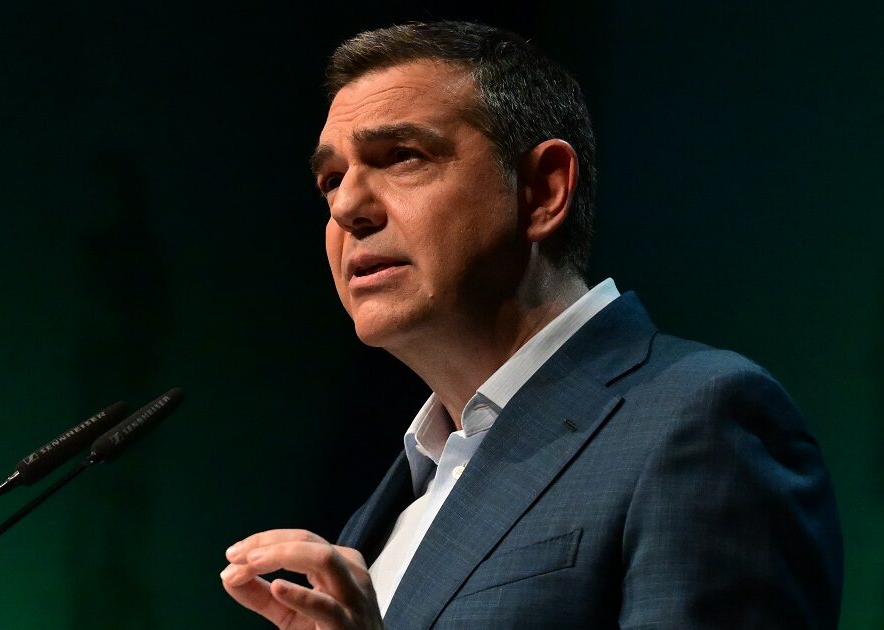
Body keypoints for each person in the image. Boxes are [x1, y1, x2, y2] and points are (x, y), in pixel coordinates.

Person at [219, 21, 842, 629]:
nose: (347, 207)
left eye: (402, 157)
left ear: (543, 190)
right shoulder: (391, 503)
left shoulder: (702, 419)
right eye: (331, 181)